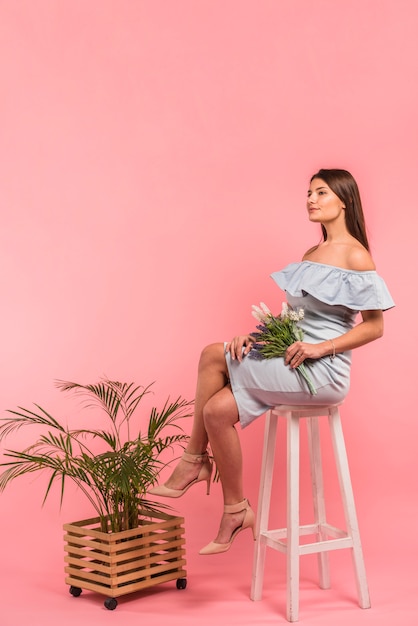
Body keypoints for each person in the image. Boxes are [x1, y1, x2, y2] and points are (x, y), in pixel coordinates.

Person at [150, 168, 394, 555]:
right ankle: (235, 510)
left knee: (211, 354)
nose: (311, 199)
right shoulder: (310, 255)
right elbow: (296, 324)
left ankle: (193, 462)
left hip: (323, 372)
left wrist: (321, 348)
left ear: (344, 200)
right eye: (308, 193)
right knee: (215, 411)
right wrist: (256, 336)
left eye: (321, 193)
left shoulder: (356, 255)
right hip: (293, 362)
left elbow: (375, 327)